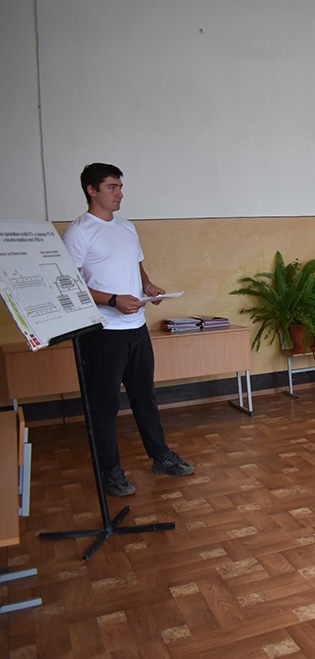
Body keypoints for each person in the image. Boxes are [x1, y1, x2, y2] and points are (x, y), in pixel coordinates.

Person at [61, 163, 194, 497]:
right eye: (112, 187)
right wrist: (112, 300)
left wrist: (148, 287)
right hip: (102, 332)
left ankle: (161, 456)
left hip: (136, 328)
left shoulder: (127, 227)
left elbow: (136, 266)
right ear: (92, 190)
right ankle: (111, 472)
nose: (120, 193)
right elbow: (69, 284)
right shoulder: (78, 232)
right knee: (104, 406)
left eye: (120, 187)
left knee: (145, 397)